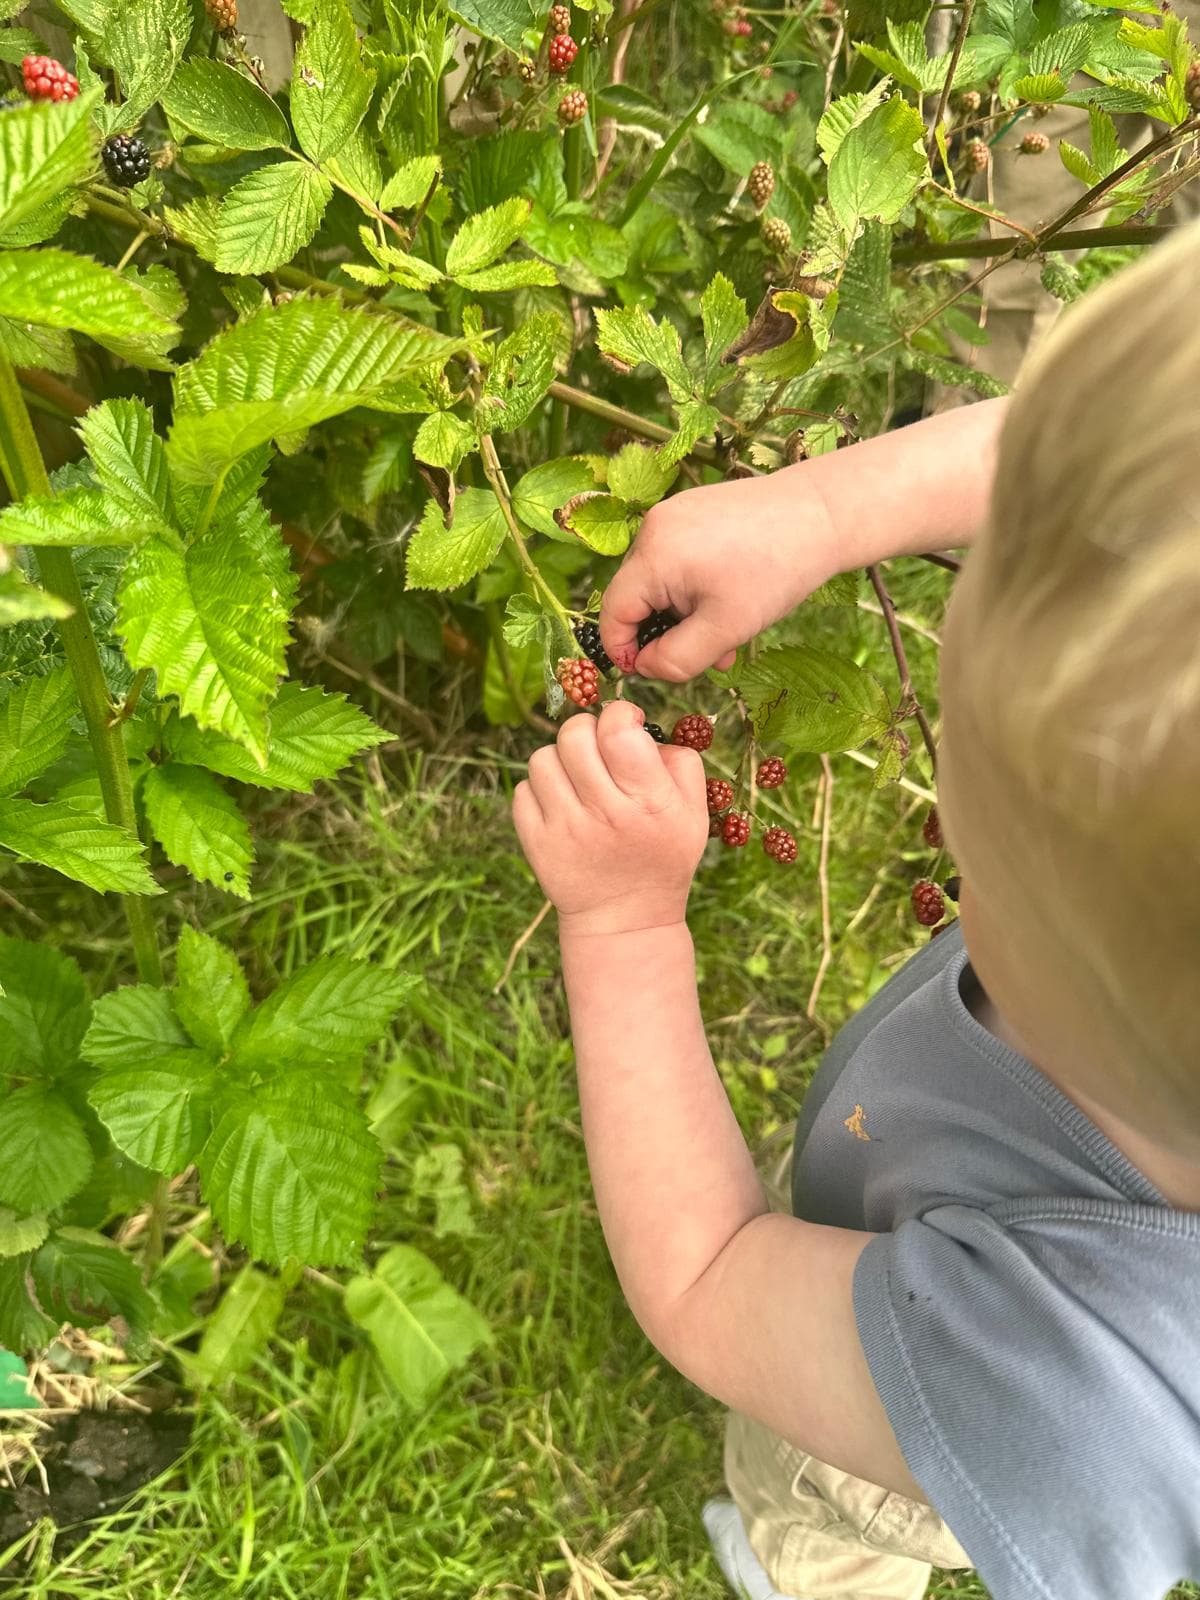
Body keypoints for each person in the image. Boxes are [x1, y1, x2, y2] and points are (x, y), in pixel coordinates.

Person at [511, 222, 1200, 1600]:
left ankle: (786, 1565)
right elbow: (1114, 450)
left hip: (891, 1469)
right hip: (930, 1219)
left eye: (982, 864)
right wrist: (824, 511)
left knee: (823, 1526)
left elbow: (710, 1272)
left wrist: (626, 929)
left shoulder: (1080, 1396)